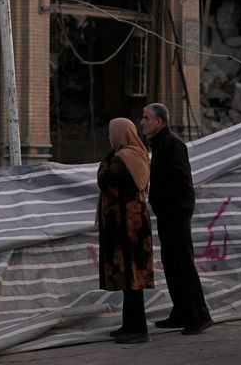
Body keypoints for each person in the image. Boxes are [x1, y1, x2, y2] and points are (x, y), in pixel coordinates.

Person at [140, 102, 214, 335]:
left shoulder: (172, 144)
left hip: (176, 214)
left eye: (146, 118)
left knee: (183, 264)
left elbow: (182, 181)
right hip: (167, 213)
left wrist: (164, 201)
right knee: (171, 264)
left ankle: (200, 315)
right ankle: (181, 312)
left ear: (159, 122)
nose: (142, 122)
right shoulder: (159, 144)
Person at [97, 117, 154, 344]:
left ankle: (138, 329)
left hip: (126, 224)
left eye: (112, 133)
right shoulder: (138, 153)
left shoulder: (123, 158)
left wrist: (107, 158)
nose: (110, 138)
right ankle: (129, 325)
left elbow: (104, 179)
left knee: (132, 278)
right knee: (131, 277)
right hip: (135, 222)